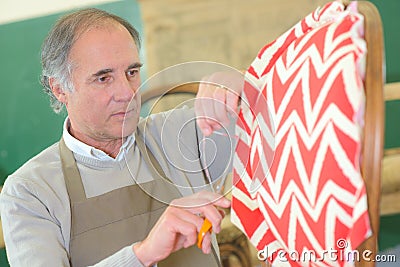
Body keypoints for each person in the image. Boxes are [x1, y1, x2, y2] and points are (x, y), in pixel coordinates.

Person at [0, 8, 243, 267]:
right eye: (103, 78)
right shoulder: (30, 192)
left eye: (131, 72)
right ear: (59, 88)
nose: (127, 93)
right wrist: (144, 253)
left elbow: (278, 131)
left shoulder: (184, 133)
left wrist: (244, 86)